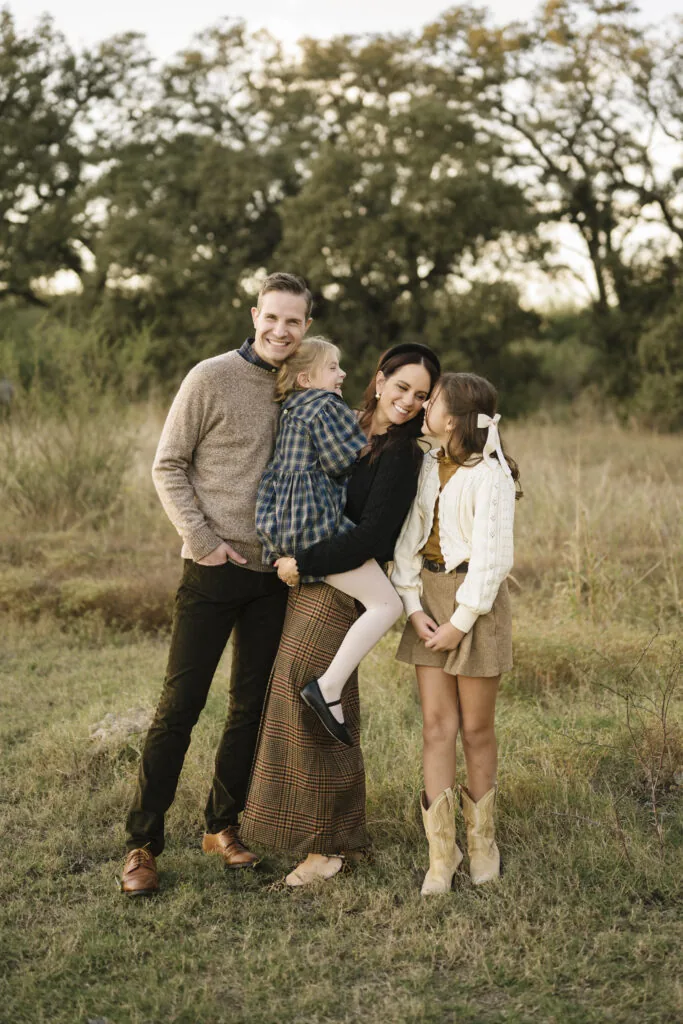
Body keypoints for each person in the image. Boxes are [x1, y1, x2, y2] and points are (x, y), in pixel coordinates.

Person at [120, 272, 312, 896]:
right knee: (180, 708)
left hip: (274, 574)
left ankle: (221, 826)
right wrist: (204, 542)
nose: (281, 331)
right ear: (254, 314)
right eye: (272, 317)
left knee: (249, 709)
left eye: (294, 321)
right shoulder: (209, 377)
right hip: (211, 569)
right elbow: (167, 465)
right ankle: (143, 842)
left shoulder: (297, 384)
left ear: (306, 326)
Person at [241, 343, 441, 886]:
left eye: (421, 396)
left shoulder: (404, 454)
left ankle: (330, 846)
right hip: (310, 579)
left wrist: (302, 561)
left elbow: (375, 537)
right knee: (297, 695)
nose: (408, 402)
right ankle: (308, 833)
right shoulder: (341, 420)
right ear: (379, 380)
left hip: (338, 584)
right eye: (402, 388)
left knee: (318, 700)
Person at [392, 372, 521, 894]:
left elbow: (494, 559)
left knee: (476, 730)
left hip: (475, 605)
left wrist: (459, 623)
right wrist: (410, 604)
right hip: (429, 598)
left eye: (432, 401)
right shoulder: (427, 464)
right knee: (436, 728)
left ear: (455, 418)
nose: (423, 406)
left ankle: (482, 842)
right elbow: (408, 539)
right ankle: (440, 856)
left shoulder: (490, 475)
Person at [256, 336, 404, 746]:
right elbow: (347, 458)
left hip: (281, 519)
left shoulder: (292, 408)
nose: (342, 375)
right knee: (387, 604)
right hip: (313, 522)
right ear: (307, 377)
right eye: (333, 368)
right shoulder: (326, 406)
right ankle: (328, 687)